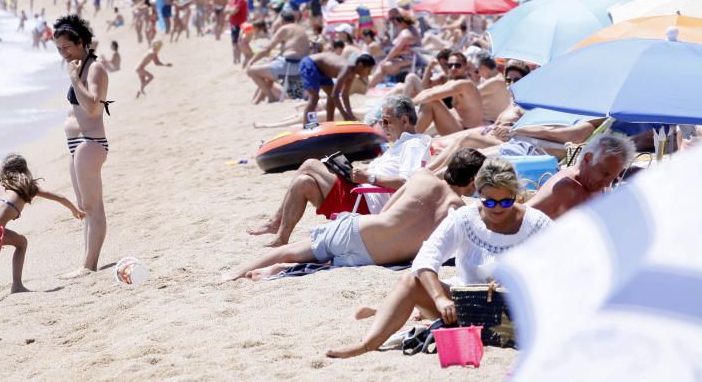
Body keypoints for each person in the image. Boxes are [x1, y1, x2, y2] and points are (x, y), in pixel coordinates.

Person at [326, 158, 552, 358]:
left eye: (506, 201)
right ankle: (366, 345)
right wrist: (439, 298)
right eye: (490, 202)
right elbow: (426, 257)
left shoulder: (535, 222)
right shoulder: (464, 218)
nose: (498, 208)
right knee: (410, 281)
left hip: (518, 310)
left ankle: (399, 312)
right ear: (478, 193)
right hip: (465, 307)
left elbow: (569, 261)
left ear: (515, 195)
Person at [225, 149, 485, 280]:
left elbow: (387, 210)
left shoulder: (422, 177)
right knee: (320, 263)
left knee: (290, 251)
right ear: (472, 179)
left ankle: (232, 276)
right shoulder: (460, 212)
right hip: (372, 259)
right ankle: (278, 272)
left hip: (360, 230)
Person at [248, 95, 431, 246]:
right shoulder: (398, 145)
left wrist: (369, 177)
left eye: (386, 120)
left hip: (368, 205)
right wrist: (358, 173)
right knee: (303, 183)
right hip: (362, 196)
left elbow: (409, 183)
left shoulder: (413, 144)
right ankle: (282, 237)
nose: (382, 125)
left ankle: (274, 223)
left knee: (311, 164)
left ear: (404, 120)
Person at [0, 154, 84, 325]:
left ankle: (17, 285)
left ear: (4, 171)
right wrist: (74, 211)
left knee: (21, 242)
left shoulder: (0, 185)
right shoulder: (28, 188)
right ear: (24, 170)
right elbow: (59, 197)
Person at [54, 14, 112, 277]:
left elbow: (92, 108)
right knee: (83, 207)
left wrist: (75, 79)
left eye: (66, 47)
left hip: (90, 142)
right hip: (76, 144)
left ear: (80, 43)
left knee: (93, 206)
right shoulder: (79, 65)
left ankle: (89, 265)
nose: (63, 53)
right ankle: (86, 262)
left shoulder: (95, 68)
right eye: (59, 49)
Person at [527, 133, 634, 219]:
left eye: (612, 178)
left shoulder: (596, 185)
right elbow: (522, 216)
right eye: (604, 173)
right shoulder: (565, 188)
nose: (607, 183)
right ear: (588, 158)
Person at [405, 51, 484, 135]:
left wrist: (407, 104)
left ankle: (407, 138)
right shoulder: (451, 82)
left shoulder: (465, 84)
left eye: (457, 65)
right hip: (457, 126)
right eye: (450, 66)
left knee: (431, 102)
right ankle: (407, 135)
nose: (453, 68)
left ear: (465, 67)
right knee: (428, 99)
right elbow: (428, 90)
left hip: (465, 131)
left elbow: (430, 95)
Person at [245, 10, 311, 102]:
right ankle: (258, 100)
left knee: (251, 71)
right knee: (269, 71)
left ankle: (271, 97)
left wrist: (250, 62)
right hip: (302, 67)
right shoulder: (301, 29)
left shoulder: (284, 29)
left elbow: (266, 49)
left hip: (290, 66)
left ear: (282, 21)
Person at [298, 51, 376, 122]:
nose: (369, 74)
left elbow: (345, 95)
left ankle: (329, 122)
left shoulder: (352, 73)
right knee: (314, 98)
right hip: (310, 64)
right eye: (368, 70)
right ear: (360, 65)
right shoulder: (346, 70)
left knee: (330, 97)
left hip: (323, 71)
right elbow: (335, 95)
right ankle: (309, 125)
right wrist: (344, 114)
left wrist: (350, 115)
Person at [228, 0, 249, 64]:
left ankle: (237, 60)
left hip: (240, 25)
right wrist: (230, 10)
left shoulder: (241, 0)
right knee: (236, 43)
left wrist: (230, 10)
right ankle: (236, 60)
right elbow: (228, 10)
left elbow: (233, 11)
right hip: (234, 24)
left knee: (238, 43)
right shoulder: (233, 0)